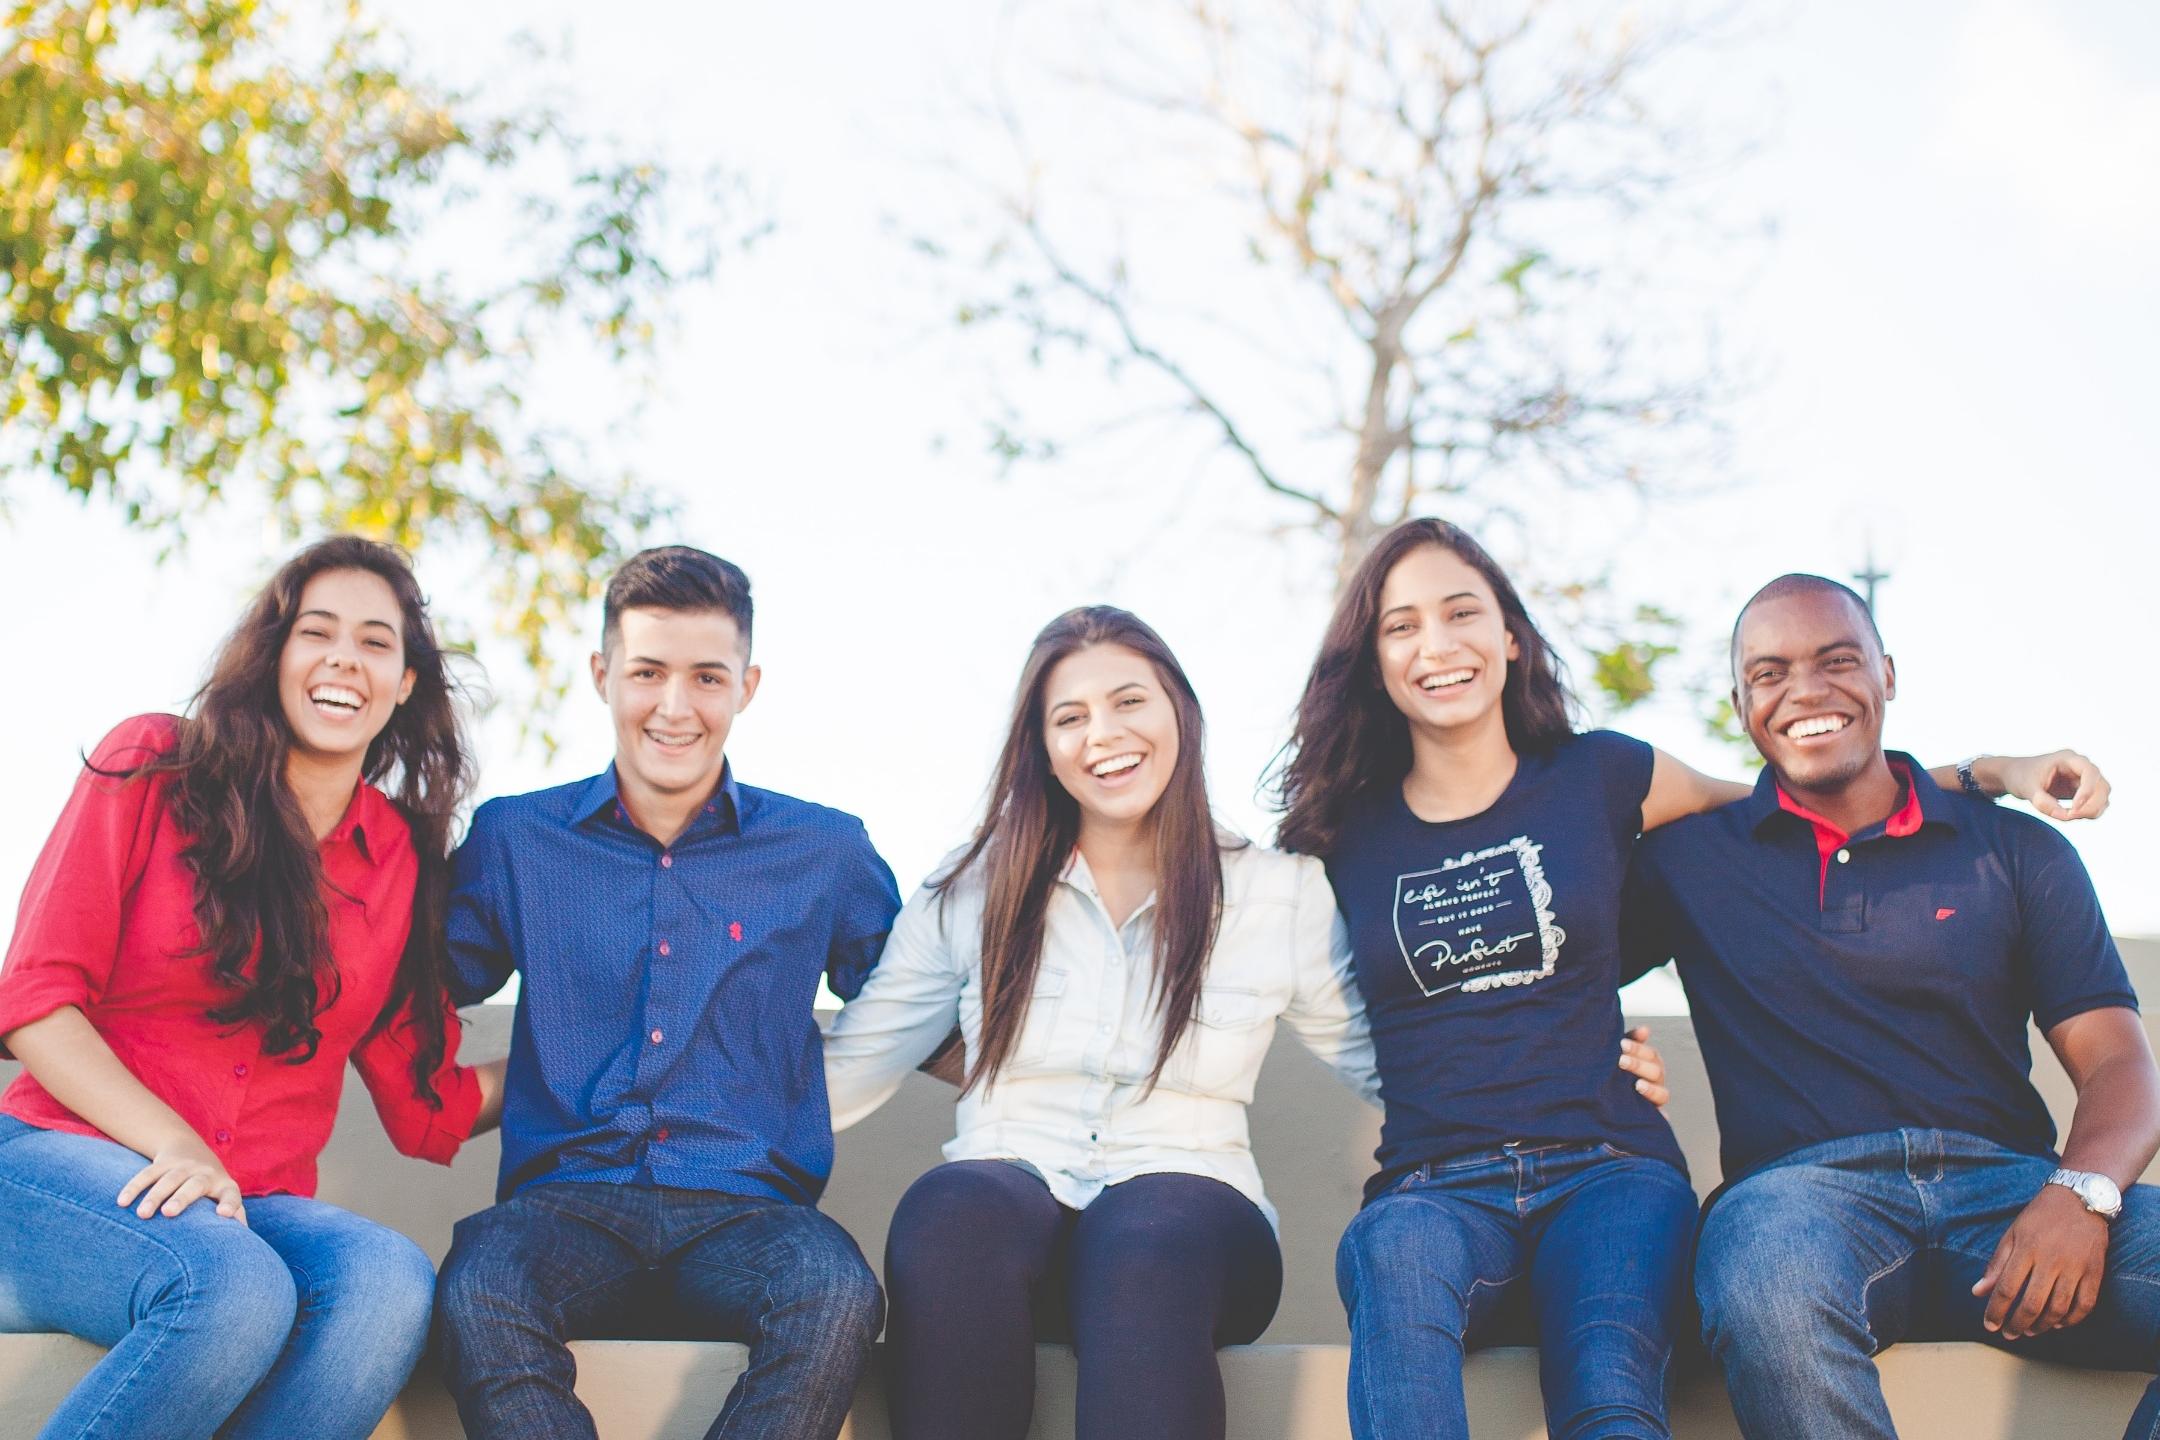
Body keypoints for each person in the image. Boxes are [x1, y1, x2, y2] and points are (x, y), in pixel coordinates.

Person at [1271, 519, 2106, 1440]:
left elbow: (1796, 794)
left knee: (1610, 1388)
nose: (1438, 643)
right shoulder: (1338, 835)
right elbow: (1325, 996)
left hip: (1608, 1168)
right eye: (1402, 625)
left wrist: (1985, 772)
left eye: (1462, 611)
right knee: (1395, 1260)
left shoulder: (1606, 775)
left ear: (1510, 634)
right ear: (1373, 658)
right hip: (1435, 1185)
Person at [820, 605, 1472, 1440]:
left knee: (1144, 1235)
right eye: (1070, 717)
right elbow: (857, 1060)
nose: (1104, 734)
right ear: (1043, 750)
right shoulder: (972, 888)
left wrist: (1571, 1071)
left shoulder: (1280, 893)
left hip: (1194, 1231)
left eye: (1129, 701)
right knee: (950, 1210)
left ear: (1179, 712)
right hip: (1011, 1213)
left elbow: (1393, 1065)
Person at [1622, 573, 2160, 1440]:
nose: (1805, 690)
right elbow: (1541, 978)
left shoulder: (2016, 848)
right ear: (1739, 702)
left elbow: (2118, 1062)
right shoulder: (1687, 861)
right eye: (1770, 673)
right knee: (1768, 1285)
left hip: (2013, 1193)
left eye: (1838, 660)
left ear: (1888, 675)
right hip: (1801, 1202)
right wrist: (1609, 1054)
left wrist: (2082, 1194)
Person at [0, 536, 504, 1440]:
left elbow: (428, 1102)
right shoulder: (155, 763)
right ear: (275, 656)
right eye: (318, 631)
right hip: (56, 1160)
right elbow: (33, 1001)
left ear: (405, 685)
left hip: (249, 1203)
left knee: (389, 1284)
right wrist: (178, 1144)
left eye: (375, 642)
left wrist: (600, 1054)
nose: (344, 656)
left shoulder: (397, 859)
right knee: (231, 1289)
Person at [431, 545, 902, 1440]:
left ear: (748, 685)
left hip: (751, 1213)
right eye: (647, 672)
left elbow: (926, 1009)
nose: (675, 706)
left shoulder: (826, 851)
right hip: (563, 1205)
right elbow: (402, 989)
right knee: (477, 1287)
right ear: (603, 674)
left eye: (707, 677)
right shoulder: (516, 839)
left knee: (837, 1295)